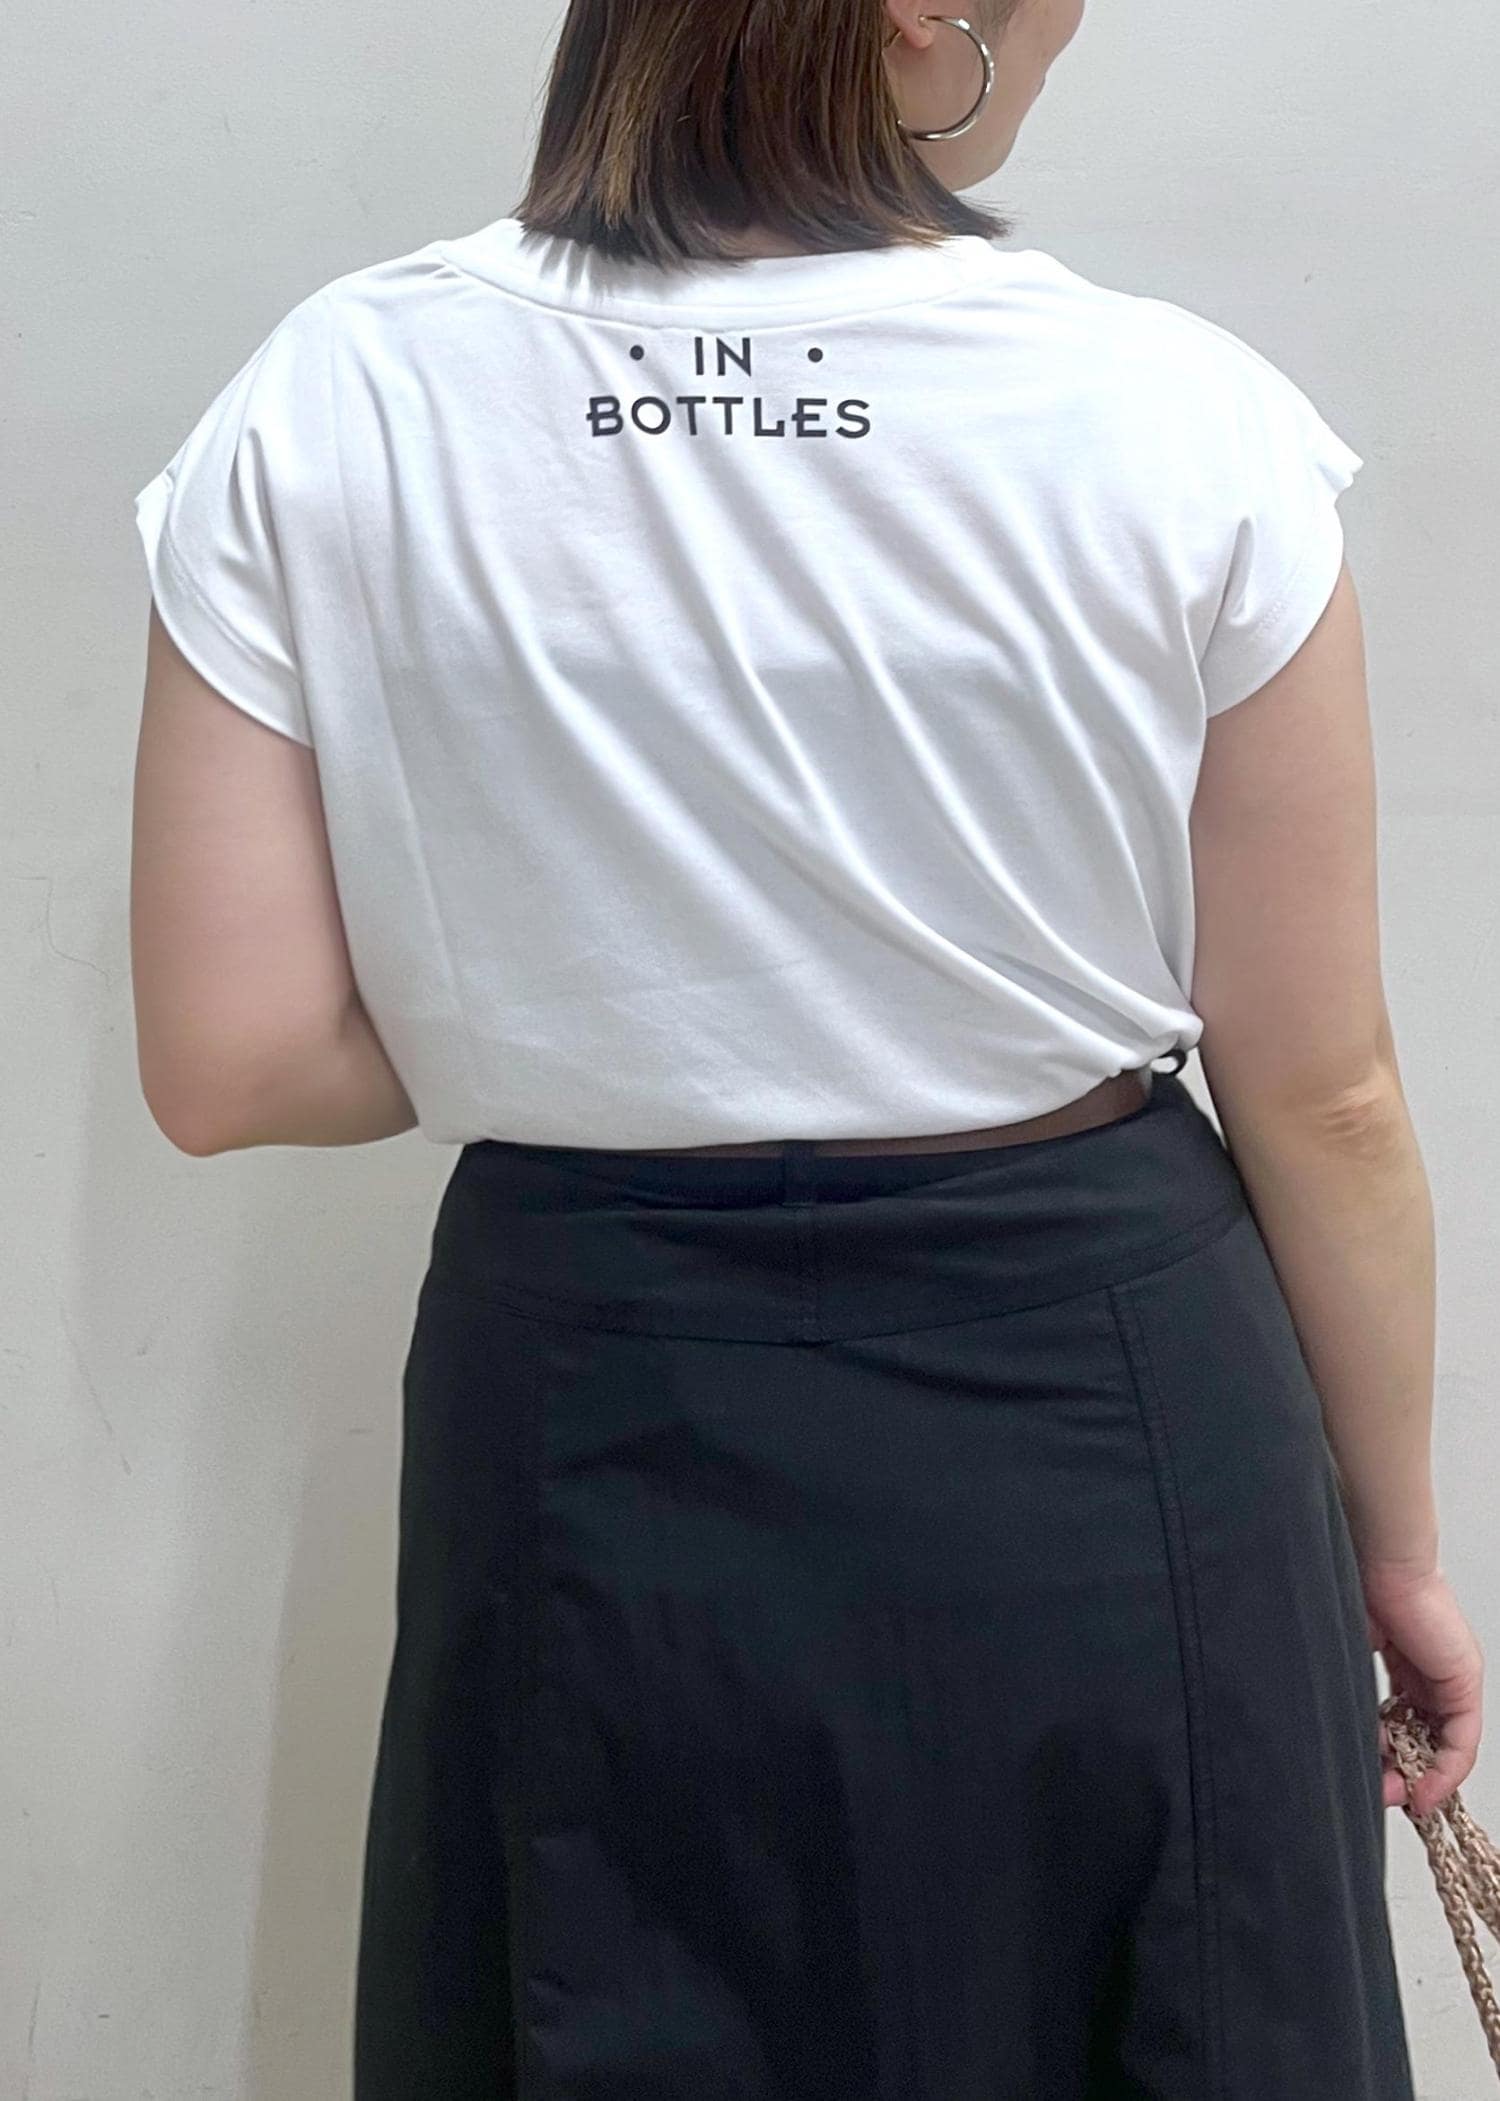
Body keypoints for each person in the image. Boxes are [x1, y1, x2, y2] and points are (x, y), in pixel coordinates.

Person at [128, 0, 1484, 2094]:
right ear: (929, 11)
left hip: (593, 1406)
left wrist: (592, 1004)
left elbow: (228, 1060)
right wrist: (1395, 1547)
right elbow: (1326, 1093)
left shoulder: (341, 393)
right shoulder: (1179, 414)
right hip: (1107, 1407)